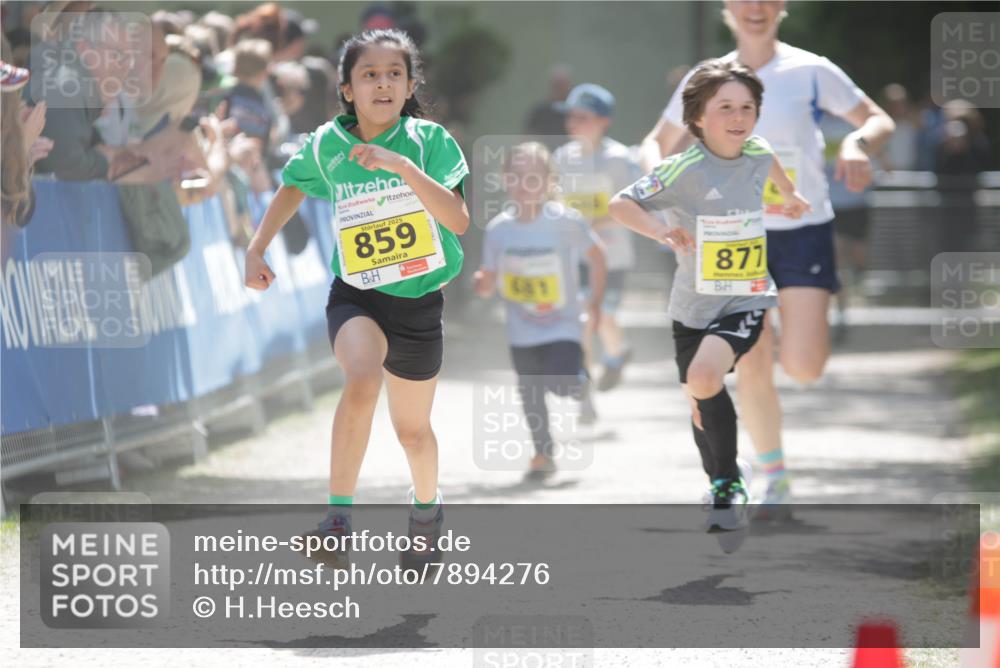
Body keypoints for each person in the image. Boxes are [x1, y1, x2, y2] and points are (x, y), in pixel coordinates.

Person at [639, 0, 894, 517]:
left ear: (782, 7)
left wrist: (856, 146)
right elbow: (655, 142)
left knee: (803, 365)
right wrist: (659, 190)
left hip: (802, 228)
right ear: (727, 9)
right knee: (752, 362)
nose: (755, 8)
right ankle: (772, 472)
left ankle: (770, 350)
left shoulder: (811, 70)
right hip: (731, 239)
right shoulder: (710, 78)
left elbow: (876, 118)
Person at [244, 29, 470, 568]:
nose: (383, 83)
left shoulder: (430, 143)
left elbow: (459, 220)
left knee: (412, 432)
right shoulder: (328, 145)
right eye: (369, 74)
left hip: (417, 301)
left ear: (410, 85)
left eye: (395, 74)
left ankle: (425, 511)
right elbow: (294, 184)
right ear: (347, 90)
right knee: (362, 377)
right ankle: (338, 519)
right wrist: (256, 247)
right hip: (357, 295)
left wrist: (404, 170)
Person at [610, 59, 809, 531]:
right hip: (692, 306)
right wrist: (661, 230)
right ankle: (724, 478)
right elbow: (621, 204)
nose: (739, 117)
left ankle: (727, 485)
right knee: (701, 399)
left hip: (747, 297)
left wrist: (790, 194)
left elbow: (770, 160)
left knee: (703, 376)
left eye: (747, 107)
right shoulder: (683, 169)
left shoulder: (757, 152)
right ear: (698, 117)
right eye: (725, 108)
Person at [474, 142, 607, 480]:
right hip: (521, 327)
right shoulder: (499, 230)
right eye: (517, 176)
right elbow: (489, 281)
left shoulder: (565, 222)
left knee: (560, 384)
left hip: (563, 323)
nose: (525, 184)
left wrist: (594, 302)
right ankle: (542, 453)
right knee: (530, 390)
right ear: (505, 179)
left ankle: (580, 382)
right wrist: (483, 283)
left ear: (549, 181)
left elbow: (597, 256)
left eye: (534, 177)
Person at [553, 83, 642, 393]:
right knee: (582, 318)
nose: (574, 124)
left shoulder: (619, 159)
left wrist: (591, 221)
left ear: (604, 121)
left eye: (583, 117)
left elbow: (633, 206)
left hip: (612, 255)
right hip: (575, 256)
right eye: (570, 117)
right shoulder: (562, 157)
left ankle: (617, 353)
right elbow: (555, 201)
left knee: (603, 316)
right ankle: (584, 384)